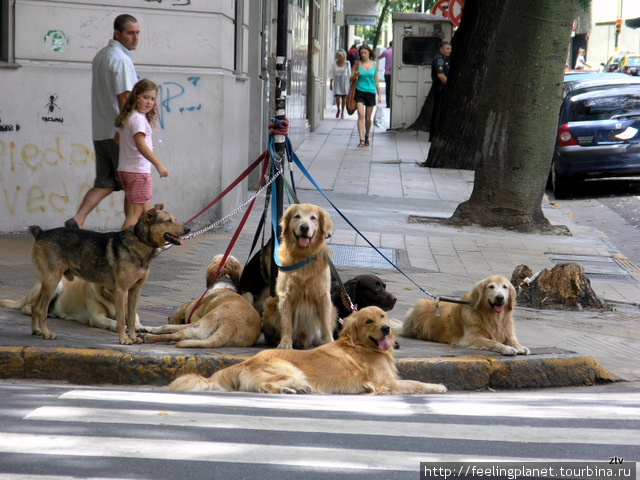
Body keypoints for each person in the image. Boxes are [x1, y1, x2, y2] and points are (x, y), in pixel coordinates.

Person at [65, 14, 140, 229]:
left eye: (137, 33)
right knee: (134, 186)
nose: (135, 38)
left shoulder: (101, 56)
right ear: (117, 33)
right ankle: (132, 234)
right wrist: (130, 129)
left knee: (105, 182)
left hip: (100, 131)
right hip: (119, 133)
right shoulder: (121, 60)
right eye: (130, 33)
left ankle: (78, 219)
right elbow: (125, 97)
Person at [114, 79, 168, 230]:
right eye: (145, 97)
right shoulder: (138, 119)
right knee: (134, 215)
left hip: (126, 169)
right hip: (138, 172)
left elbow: (117, 139)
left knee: (145, 214)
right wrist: (158, 164)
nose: (149, 102)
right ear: (136, 96)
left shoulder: (128, 116)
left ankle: (148, 244)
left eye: (152, 99)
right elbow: (140, 144)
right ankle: (121, 249)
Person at [351, 44, 382, 148]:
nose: (363, 55)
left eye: (365, 53)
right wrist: (356, 74)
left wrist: (379, 95)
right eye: (361, 53)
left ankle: (367, 135)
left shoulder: (375, 64)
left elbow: (376, 80)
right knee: (361, 115)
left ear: (369, 53)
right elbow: (351, 78)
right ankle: (361, 139)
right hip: (359, 91)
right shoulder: (357, 64)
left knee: (368, 118)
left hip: (370, 92)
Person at [429, 41, 451, 142]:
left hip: (442, 89)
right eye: (447, 49)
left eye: (450, 49)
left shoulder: (445, 59)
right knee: (438, 111)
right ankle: (434, 134)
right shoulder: (439, 59)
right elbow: (440, 75)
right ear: (441, 49)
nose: (449, 51)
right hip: (440, 89)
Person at [330, 49, 352, 119]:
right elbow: (332, 74)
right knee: (337, 96)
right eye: (337, 56)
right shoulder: (334, 64)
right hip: (337, 81)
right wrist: (331, 83)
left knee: (344, 98)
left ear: (343, 56)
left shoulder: (347, 63)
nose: (339, 57)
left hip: (345, 81)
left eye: (340, 56)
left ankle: (342, 112)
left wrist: (350, 84)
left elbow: (349, 74)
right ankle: (338, 109)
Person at [378, 41, 393, 107]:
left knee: (388, 89)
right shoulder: (397, 51)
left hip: (387, 73)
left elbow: (379, 57)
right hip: (394, 74)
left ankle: (388, 104)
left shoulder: (386, 51)